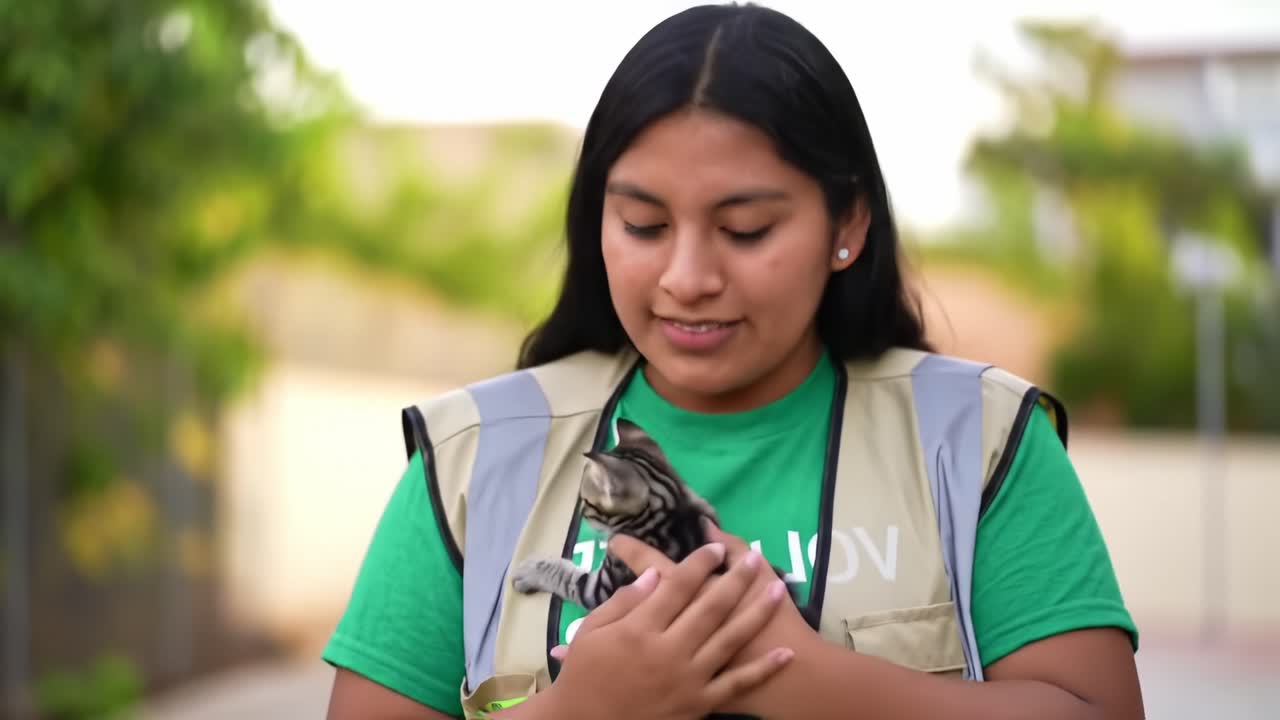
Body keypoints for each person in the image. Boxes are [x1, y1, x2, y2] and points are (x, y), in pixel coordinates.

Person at [322, 4, 1144, 719]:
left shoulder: (977, 441)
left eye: (746, 229)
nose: (688, 278)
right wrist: (586, 712)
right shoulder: (475, 455)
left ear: (847, 220)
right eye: (644, 226)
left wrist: (801, 679)